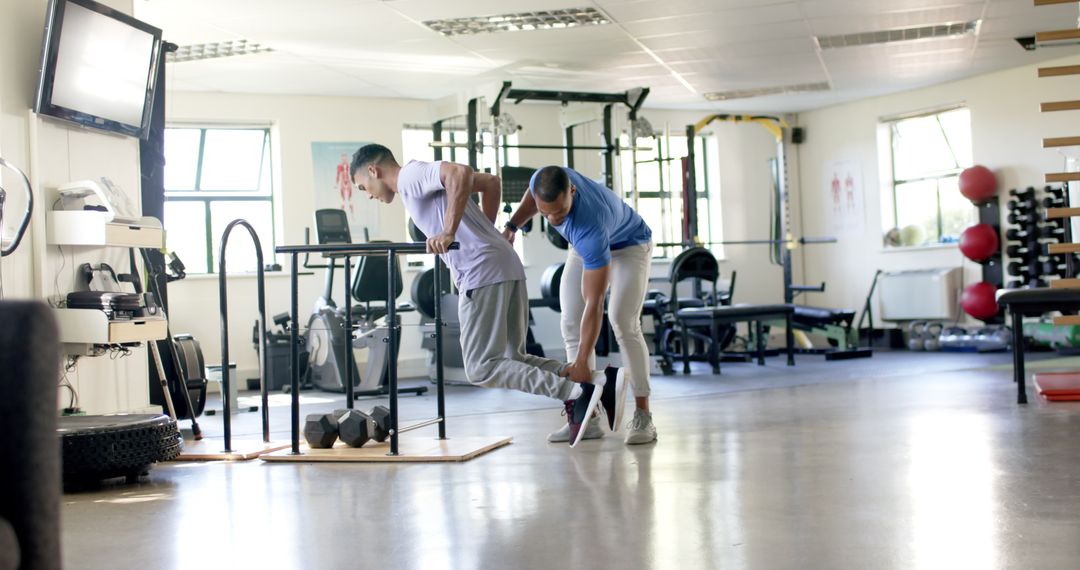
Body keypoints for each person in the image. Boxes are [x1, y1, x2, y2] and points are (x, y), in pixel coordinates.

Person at [349, 144, 627, 447]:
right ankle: (598, 381)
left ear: (374, 171)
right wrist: (489, 233)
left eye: (364, 187)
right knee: (511, 358)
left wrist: (448, 231)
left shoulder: (408, 177)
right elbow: (491, 183)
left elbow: (460, 172)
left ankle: (576, 392)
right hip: (504, 262)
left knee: (481, 367)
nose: (369, 194)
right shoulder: (414, 185)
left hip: (481, 273)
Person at [504, 166, 657, 445]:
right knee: (570, 321)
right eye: (546, 212)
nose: (552, 218)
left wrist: (583, 360)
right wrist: (512, 226)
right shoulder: (543, 181)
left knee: (623, 322)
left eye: (559, 213)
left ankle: (644, 415)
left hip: (630, 245)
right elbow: (530, 195)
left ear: (572, 191)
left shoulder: (590, 226)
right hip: (582, 245)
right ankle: (587, 414)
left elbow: (595, 302)